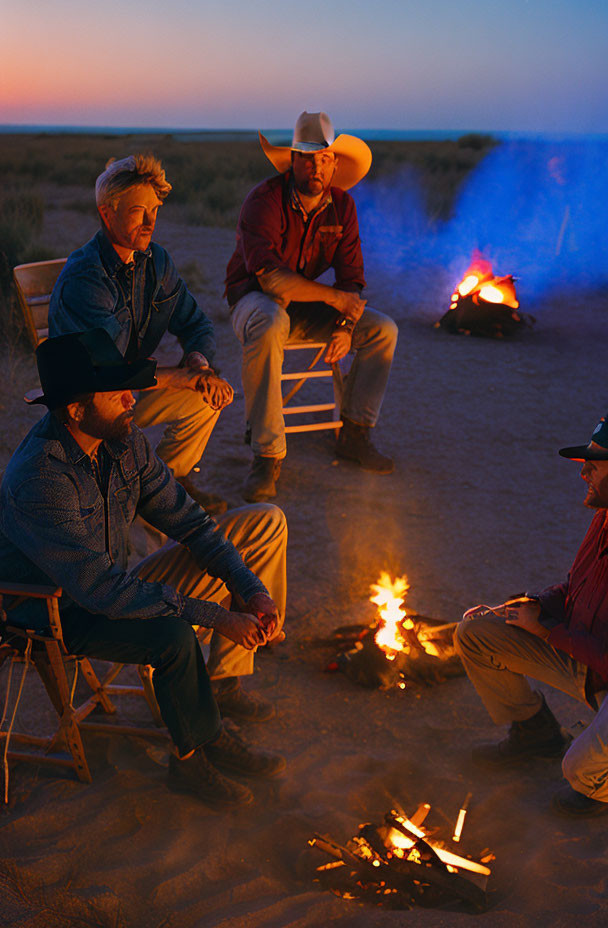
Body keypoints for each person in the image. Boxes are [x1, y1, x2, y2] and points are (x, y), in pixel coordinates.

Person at [0, 330, 288, 807]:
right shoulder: (40, 479)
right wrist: (216, 616)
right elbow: (98, 591)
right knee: (173, 635)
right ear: (75, 409)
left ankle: (210, 720)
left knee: (259, 524)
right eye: (118, 393)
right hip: (55, 609)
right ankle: (192, 759)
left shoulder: (122, 440)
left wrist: (248, 590)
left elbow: (190, 523)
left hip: (115, 583)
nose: (134, 400)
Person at [225, 111, 398, 502]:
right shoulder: (264, 200)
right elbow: (270, 280)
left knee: (383, 330)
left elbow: (352, 277)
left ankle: (354, 434)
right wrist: (337, 300)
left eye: (324, 158)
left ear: (334, 163)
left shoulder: (343, 206)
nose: (315, 166)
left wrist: (344, 325)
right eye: (306, 157)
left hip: (305, 305)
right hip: (253, 302)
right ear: (293, 160)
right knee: (270, 320)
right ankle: (266, 456)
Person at [49, 153, 232, 514]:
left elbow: (196, 323)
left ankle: (166, 490)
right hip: (87, 403)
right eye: (137, 211)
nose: (150, 222)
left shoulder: (156, 262)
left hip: (129, 392)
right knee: (187, 385)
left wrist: (198, 362)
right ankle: (141, 497)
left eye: (155, 210)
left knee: (205, 394)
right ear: (107, 212)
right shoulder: (87, 278)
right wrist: (180, 377)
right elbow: (106, 372)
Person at [454, 413, 608, 817]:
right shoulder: (604, 517)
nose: (583, 474)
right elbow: (576, 588)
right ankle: (534, 733)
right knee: (477, 631)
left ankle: (599, 784)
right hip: (588, 662)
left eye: (594, 464)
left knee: (579, 770)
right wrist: (534, 604)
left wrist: (546, 632)